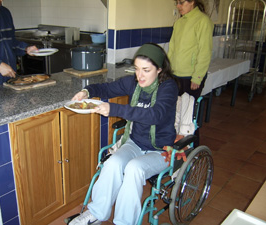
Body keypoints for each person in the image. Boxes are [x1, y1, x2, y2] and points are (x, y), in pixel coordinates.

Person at [68, 43, 179, 225]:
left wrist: (114, 108)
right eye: (136, 69)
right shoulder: (133, 83)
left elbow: (155, 115)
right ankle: (97, 213)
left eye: (146, 70)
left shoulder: (168, 87)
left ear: (159, 69)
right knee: (112, 164)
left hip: (160, 150)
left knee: (134, 169)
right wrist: (86, 91)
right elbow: (106, 88)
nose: (139, 76)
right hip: (135, 143)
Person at [168, 0, 214, 99]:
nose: (178, 6)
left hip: (191, 75)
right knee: (174, 109)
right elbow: (172, 49)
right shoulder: (178, 23)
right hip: (175, 74)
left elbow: (205, 51)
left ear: (192, 2)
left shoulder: (203, 21)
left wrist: (197, 77)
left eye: (181, 2)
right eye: (177, 3)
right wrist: (168, 71)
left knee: (188, 111)